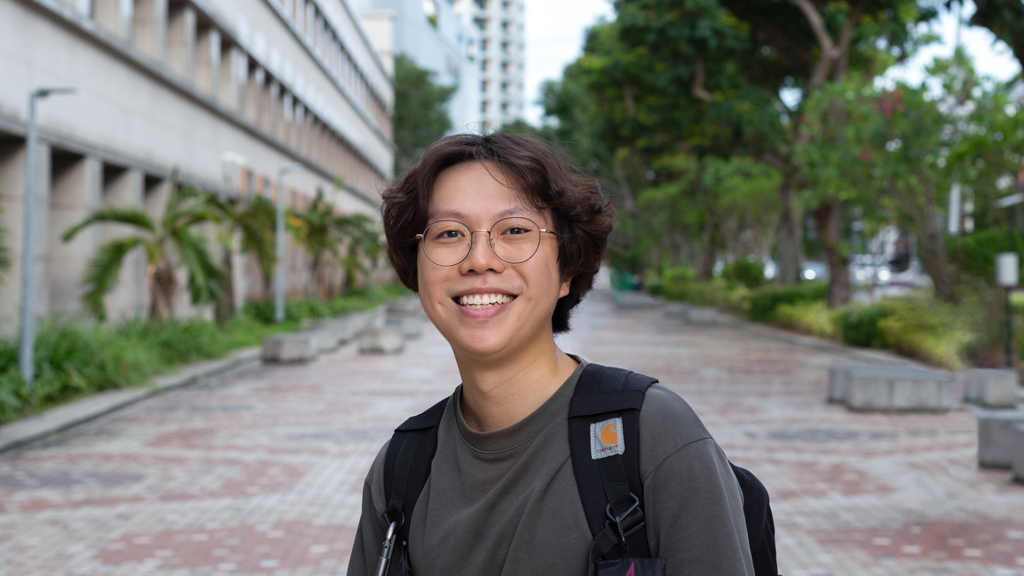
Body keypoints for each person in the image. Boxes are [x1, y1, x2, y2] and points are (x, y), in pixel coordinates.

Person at [347, 133, 755, 575]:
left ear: (567, 270)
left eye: (515, 230)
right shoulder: (400, 469)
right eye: (449, 233)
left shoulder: (653, 439)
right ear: (417, 269)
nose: (479, 260)